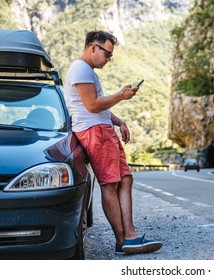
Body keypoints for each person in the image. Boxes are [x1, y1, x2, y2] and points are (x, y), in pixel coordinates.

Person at [64, 30, 162, 255]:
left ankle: (130, 235)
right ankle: (123, 239)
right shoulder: (80, 69)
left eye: (111, 55)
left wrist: (119, 121)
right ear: (93, 48)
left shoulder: (87, 71)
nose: (109, 59)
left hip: (103, 129)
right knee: (109, 183)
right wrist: (120, 95)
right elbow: (91, 106)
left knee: (125, 179)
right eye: (107, 54)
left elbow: (99, 107)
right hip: (95, 132)